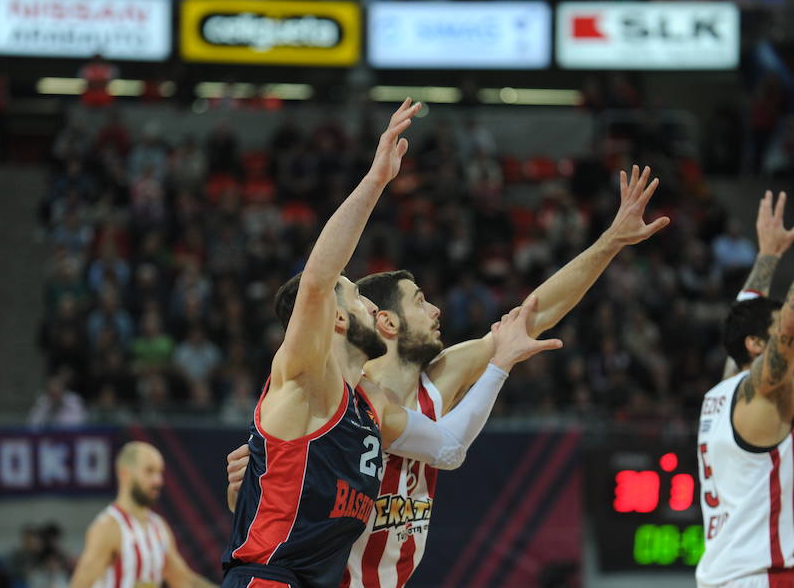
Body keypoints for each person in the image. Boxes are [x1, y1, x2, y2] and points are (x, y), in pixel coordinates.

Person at [227, 165, 671, 587]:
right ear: (386, 321)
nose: (436, 310)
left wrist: (610, 242)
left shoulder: (433, 383)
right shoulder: (336, 393)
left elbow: (534, 315)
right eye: (420, 301)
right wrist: (250, 486)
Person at [221, 99, 562, 588]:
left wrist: (499, 365)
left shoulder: (367, 407)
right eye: (358, 298)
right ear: (335, 318)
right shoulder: (305, 379)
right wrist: (377, 180)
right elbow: (318, 280)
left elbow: (447, 447)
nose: (370, 308)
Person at [697, 190, 794, 588]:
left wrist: (768, 256)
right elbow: (787, 327)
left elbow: (743, 321)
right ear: (757, 346)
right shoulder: (766, 389)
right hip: (765, 578)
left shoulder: (722, 391)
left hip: (725, 576)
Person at [67, 442, 214, 588]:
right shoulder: (108, 527)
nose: (158, 481)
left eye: (160, 472)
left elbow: (183, 580)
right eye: (149, 471)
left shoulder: (159, 526)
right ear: (125, 474)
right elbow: (80, 584)